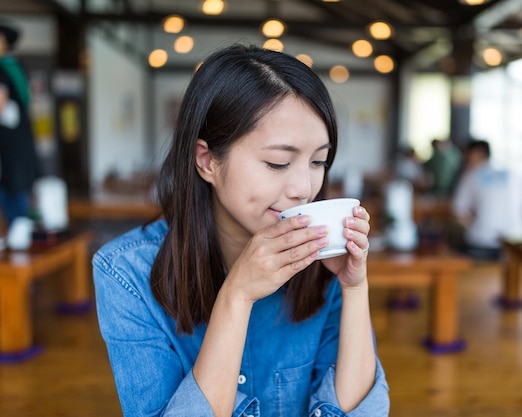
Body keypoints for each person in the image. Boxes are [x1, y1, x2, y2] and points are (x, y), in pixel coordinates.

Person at [92, 44, 390, 417]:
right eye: (278, 162)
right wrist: (236, 295)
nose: (304, 187)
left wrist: (354, 287)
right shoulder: (126, 273)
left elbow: (362, 412)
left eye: (318, 161)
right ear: (207, 161)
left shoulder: (323, 261)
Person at [451, 139, 522, 260]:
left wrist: (478, 224)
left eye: (467, 155)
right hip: (516, 242)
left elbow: (458, 211)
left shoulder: (470, 175)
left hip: (481, 243)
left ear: (477, 153)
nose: (465, 159)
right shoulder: (514, 172)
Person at [0, 22, 39, 226]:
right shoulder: (16, 66)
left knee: (14, 205)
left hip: (10, 149)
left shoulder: (3, 68)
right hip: (19, 145)